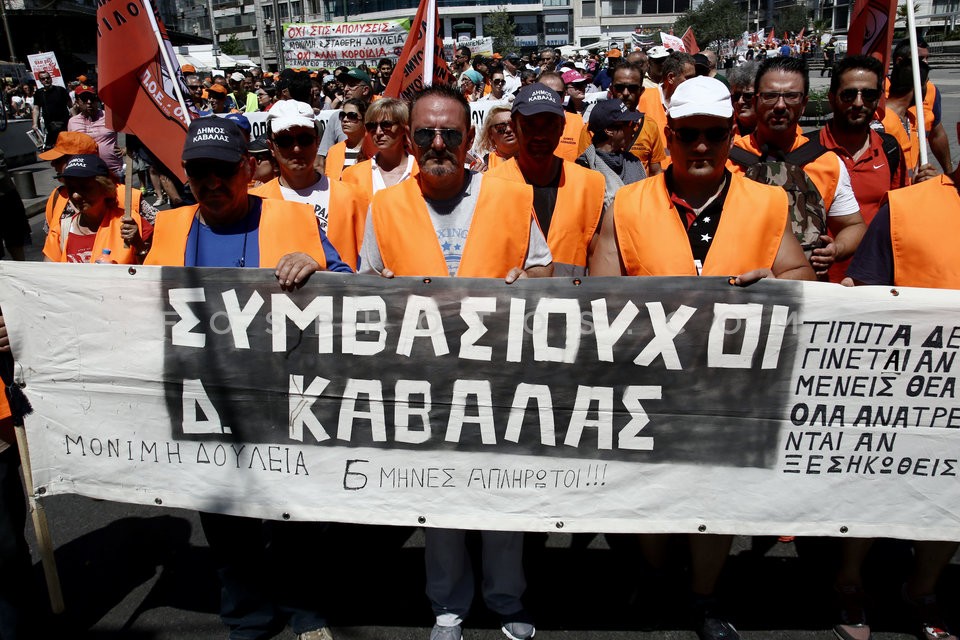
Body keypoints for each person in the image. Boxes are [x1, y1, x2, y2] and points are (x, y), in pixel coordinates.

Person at [588, 77, 815, 640]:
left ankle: (704, 596)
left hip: (729, 383)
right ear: (670, 135)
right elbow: (600, 286)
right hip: (647, 381)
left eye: (715, 134)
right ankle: (655, 574)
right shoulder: (627, 203)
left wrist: (778, 281)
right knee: (651, 489)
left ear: (731, 132)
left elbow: (801, 274)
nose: (702, 146)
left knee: (715, 495)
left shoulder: (767, 202)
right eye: (689, 135)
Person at [145, 116, 350, 640]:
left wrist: (316, 266)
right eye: (199, 173)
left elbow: (351, 290)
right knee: (225, 522)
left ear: (249, 168)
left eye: (223, 171)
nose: (212, 183)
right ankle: (247, 619)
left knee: (295, 517)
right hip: (205, 401)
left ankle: (306, 612)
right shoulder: (171, 226)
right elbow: (132, 303)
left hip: (284, 398)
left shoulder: (295, 217)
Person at [358, 85, 551, 640]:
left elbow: (541, 271)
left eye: (450, 132)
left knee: (499, 497)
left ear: (471, 136)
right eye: (425, 133)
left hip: (500, 379)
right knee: (438, 498)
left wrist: (526, 282)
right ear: (410, 138)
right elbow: (369, 284)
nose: (437, 142)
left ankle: (505, 598)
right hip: (424, 380)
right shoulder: (386, 205)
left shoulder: (512, 198)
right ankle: (448, 604)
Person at [841, 169, 960, 640]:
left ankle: (923, 589)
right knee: (873, 483)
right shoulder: (909, 206)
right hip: (900, 381)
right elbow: (865, 285)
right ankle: (849, 582)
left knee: (953, 495)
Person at [729, 56, 865, 279]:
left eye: (791, 96)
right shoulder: (727, 159)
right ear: (755, 101)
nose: (780, 105)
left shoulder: (827, 163)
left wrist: (836, 249)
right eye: (770, 96)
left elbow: (854, 225)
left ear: (804, 103)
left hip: (805, 291)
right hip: (738, 287)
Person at [488, 82, 604, 277]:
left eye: (549, 125)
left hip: (574, 303)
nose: (540, 135)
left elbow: (597, 258)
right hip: (513, 303)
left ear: (561, 128)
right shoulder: (490, 185)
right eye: (530, 125)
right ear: (514, 128)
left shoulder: (590, 184)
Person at [818, 55, 913, 282]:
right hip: (820, 282)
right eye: (849, 94)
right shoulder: (808, 151)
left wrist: (921, 192)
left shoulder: (890, 149)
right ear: (832, 98)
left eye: (869, 95)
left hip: (872, 282)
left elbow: (898, 215)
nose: (859, 103)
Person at [250, 100, 369, 271]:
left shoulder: (353, 197)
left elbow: (368, 265)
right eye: (285, 140)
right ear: (271, 146)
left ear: (317, 141)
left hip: (342, 294)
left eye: (305, 139)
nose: (296, 148)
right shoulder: (256, 201)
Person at [43, 154, 154, 264]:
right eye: (71, 188)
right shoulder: (61, 230)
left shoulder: (132, 223)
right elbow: (46, 276)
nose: (76, 195)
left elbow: (157, 270)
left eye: (84, 187)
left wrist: (139, 245)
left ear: (105, 188)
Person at [886, 38, 953, 175]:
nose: (926, 63)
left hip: (916, 184)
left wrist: (949, 173)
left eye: (927, 58)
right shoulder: (875, 91)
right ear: (900, 62)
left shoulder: (931, 91)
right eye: (920, 59)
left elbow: (937, 134)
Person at [341, 97, 416, 201]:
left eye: (386, 125)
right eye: (372, 126)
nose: (378, 132)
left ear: (403, 128)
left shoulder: (421, 172)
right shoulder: (352, 175)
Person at [576, 98, 646, 205]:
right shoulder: (585, 168)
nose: (633, 129)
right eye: (629, 123)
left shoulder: (634, 162)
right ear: (609, 130)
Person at [607, 62, 666, 176]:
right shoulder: (595, 126)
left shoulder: (650, 126)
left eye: (632, 88)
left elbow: (656, 171)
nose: (625, 93)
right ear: (611, 89)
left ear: (641, 91)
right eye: (619, 87)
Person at [37, 131, 100, 234]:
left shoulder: (119, 195)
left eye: (58, 160)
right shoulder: (58, 196)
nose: (52, 164)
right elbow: (51, 240)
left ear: (79, 160)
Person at [318, 68, 375, 174]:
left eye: (351, 85)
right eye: (344, 85)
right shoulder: (336, 117)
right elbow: (321, 159)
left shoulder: (379, 117)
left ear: (365, 90)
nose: (346, 89)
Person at [67, 85, 122, 179]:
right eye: (84, 99)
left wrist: (126, 150)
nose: (89, 102)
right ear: (76, 102)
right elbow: (70, 147)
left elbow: (132, 131)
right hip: (87, 173)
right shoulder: (73, 122)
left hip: (112, 170)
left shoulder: (109, 116)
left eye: (92, 98)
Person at [536, 72, 589, 163]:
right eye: (545, 93)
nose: (551, 98)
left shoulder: (579, 123)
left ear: (564, 95)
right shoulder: (525, 122)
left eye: (557, 94)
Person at [322, 98, 368, 181]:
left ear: (365, 120)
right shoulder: (334, 151)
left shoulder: (374, 151)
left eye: (352, 116)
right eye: (343, 115)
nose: (345, 120)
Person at [33, 71, 72, 150]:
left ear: (51, 79)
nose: (46, 80)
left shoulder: (60, 90)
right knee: (55, 147)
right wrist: (35, 124)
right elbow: (36, 108)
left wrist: (75, 119)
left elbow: (70, 106)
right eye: (43, 79)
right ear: (40, 81)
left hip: (64, 123)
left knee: (67, 145)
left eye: (48, 78)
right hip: (50, 125)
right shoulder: (39, 93)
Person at [473, 105, 519, 172]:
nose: (508, 130)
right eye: (501, 127)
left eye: (512, 125)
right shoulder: (483, 165)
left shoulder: (535, 159)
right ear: (491, 134)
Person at [727, 61, 759, 136]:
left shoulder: (774, 131)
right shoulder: (724, 129)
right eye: (736, 96)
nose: (740, 102)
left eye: (748, 96)